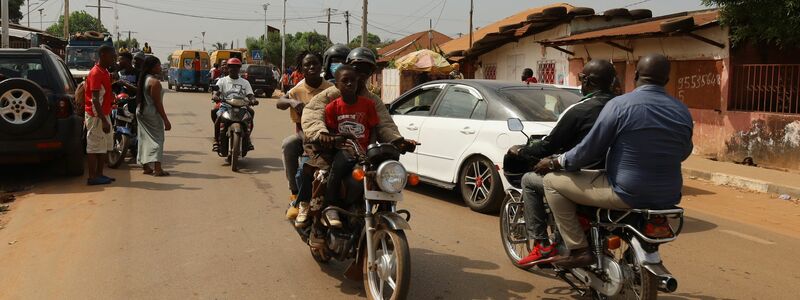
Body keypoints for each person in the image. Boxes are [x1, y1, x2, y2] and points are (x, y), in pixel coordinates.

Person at [535, 54, 693, 269]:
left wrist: (556, 163)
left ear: (635, 75)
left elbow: (589, 151)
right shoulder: (682, 110)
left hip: (625, 191)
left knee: (552, 182)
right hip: (669, 195)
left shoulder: (620, 105)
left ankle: (579, 249)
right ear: (666, 80)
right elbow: (683, 152)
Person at [511, 60, 618, 266]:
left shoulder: (579, 109)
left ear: (586, 81)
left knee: (529, 180)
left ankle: (541, 245)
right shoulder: (620, 106)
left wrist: (522, 151)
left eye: (581, 78)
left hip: (584, 177)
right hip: (616, 177)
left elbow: (548, 146)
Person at [295, 65, 379, 228]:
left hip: (364, 153)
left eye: (352, 81)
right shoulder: (331, 106)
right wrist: (328, 137)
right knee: (331, 170)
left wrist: (372, 147)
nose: (349, 84)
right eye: (344, 81)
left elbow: (376, 127)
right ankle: (329, 207)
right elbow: (328, 129)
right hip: (344, 150)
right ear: (336, 85)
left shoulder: (370, 103)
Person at [277, 51, 333, 220]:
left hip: (330, 136)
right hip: (304, 136)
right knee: (288, 144)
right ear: (301, 69)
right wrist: (292, 101)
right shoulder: (297, 90)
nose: (311, 67)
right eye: (306, 65)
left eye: (314, 63)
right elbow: (280, 103)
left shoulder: (332, 89)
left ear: (321, 66)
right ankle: (295, 194)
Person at [84, 45, 117, 186]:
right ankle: (92, 177)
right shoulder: (96, 73)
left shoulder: (104, 72)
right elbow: (95, 99)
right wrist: (103, 120)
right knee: (94, 146)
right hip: (96, 116)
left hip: (104, 114)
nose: (114, 59)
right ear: (103, 55)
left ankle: (100, 174)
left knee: (103, 145)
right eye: (112, 56)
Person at [212, 58, 257, 151]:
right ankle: (216, 140)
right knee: (218, 118)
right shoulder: (222, 81)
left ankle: (248, 139)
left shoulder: (245, 82)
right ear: (228, 68)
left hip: (242, 106)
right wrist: (215, 96)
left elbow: (250, 95)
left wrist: (253, 100)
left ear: (239, 68)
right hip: (226, 106)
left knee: (250, 116)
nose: (234, 69)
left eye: (236, 67)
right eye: (231, 67)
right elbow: (216, 92)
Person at [137, 56, 172, 176]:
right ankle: (158, 168)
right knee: (158, 139)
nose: (160, 67)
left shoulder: (144, 79)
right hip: (151, 113)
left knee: (144, 138)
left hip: (141, 111)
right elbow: (157, 103)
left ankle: (146, 166)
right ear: (152, 67)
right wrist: (166, 120)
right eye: (158, 65)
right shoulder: (155, 82)